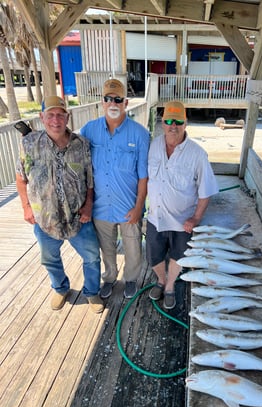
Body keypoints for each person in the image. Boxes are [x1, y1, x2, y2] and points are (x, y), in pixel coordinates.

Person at [16, 95, 104, 314]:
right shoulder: (29, 143)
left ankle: (92, 292)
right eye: (50, 115)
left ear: (68, 116)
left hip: (78, 217)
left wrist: (89, 205)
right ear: (42, 117)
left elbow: (90, 179)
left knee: (92, 257)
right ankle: (60, 288)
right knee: (49, 259)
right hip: (45, 219)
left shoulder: (81, 144)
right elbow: (21, 178)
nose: (56, 120)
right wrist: (26, 207)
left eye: (60, 115)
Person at [80, 79, 150, 299]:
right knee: (106, 248)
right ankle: (109, 278)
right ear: (102, 102)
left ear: (125, 103)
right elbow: (79, 165)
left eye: (118, 99)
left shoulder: (140, 134)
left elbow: (143, 176)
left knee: (133, 248)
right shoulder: (88, 130)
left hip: (129, 206)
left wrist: (139, 207)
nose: (113, 103)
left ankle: (131, 279)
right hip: (100, 207)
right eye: (108, 98)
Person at [146, 101, 219, 309]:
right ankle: (160, 280)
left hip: (182, 222)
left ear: (186, 123)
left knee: (179, 256)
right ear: (162, 122)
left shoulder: (197, 154)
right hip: (155, 217)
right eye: (169, 120)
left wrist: (195, 218)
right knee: (154, 255)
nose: (173, 125)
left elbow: (206, 191)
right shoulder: (153, 146)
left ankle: (169, 286)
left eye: (178, 121)